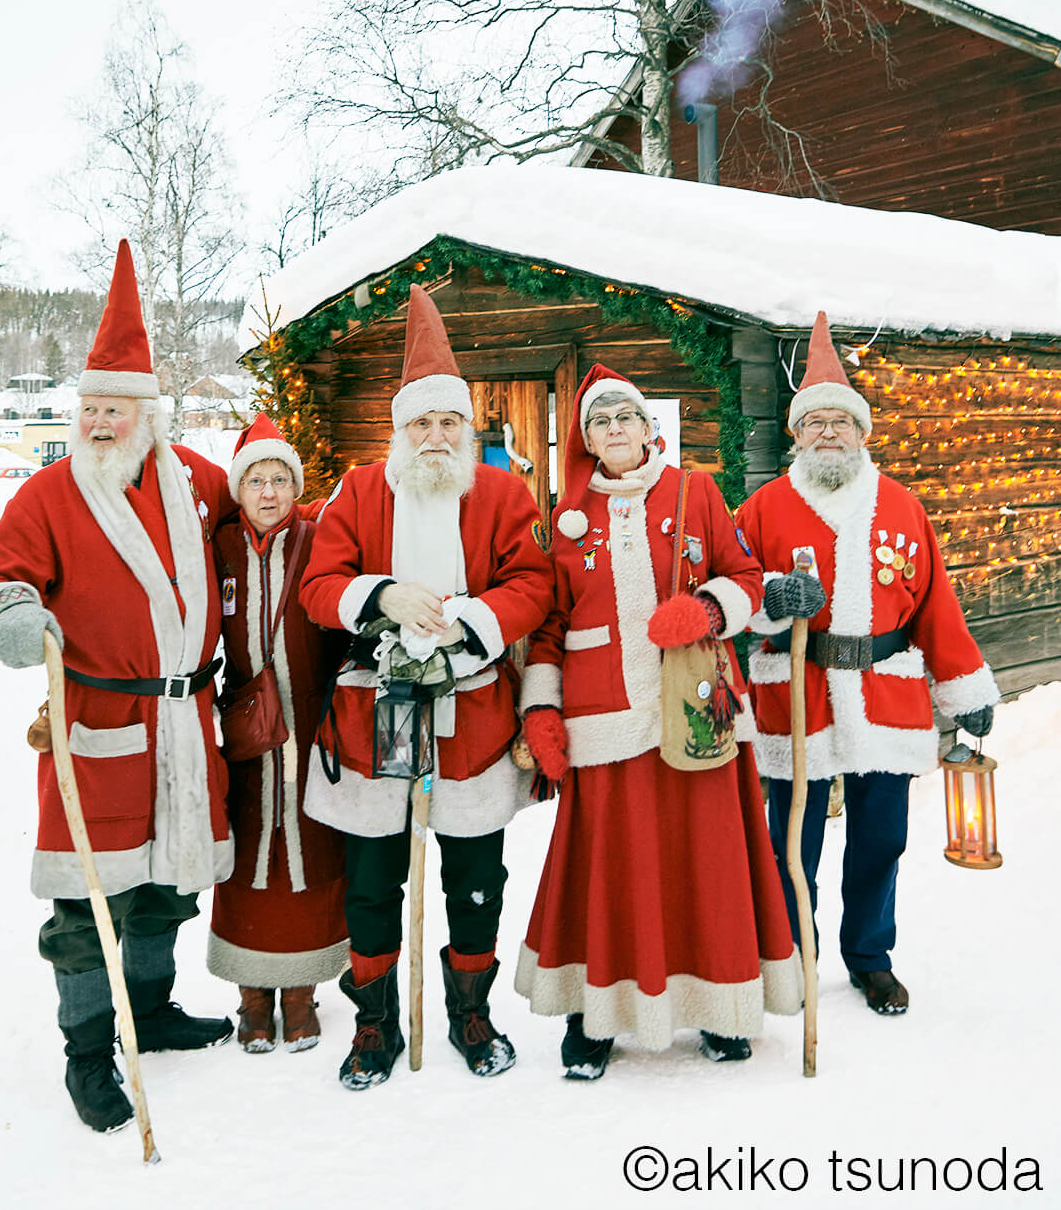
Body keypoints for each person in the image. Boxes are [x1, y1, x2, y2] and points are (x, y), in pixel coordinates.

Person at [0, 241, 235, 1134]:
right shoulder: (45, 496)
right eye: (89, 408)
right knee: (88, 901)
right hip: (100, 725)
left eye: (116, 408)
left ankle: (149, 1013)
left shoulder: (198, 482)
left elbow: (261, 530)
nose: (100, 422)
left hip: (188, 720)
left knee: (165, 886)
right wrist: (7, 615)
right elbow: (0, 577)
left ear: (151, 416)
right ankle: (88, 1053)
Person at [515, 363, 803, 1080]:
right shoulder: (563, 517)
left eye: (626, 417)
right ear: (586, 440)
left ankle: (721, 1008)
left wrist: (706, 610)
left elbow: (743, 576)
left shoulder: (694, 491)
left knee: (706, 862)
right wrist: (542, 708)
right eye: (601, 422)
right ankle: (596, 1016)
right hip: (602, 720)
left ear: (650, 428)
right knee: (606, 869)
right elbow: (549, 624)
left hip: (696, 705)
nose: (615, 429)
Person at [299, 284, 554, 1089]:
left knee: (476, 880)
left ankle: (469, 1012)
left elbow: (533, 584)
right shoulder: (361, 491)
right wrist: (380, 596)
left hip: (473, 715)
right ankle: (373, 1022)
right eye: (422, 423)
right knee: (373, 884)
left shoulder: (504, 493)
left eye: (450, 423)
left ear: (465, 428)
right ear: (400, 430)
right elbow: (318, 584)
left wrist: (474, 618)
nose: (436, 437)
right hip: (373, 718)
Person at [735, 312, 999, 1017]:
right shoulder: (763, 508)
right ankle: (791, 954)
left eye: (840, 422)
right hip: (798, 692)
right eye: (813, 422)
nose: (828, 432)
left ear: (862, 433)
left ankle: (869, 957)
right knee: (794, 837)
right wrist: (768, 598)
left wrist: (963, 688)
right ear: (796, 435)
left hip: (886, 691)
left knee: (881, 837)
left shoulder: (903, 509)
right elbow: (729, 593)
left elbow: (936, 606)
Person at [206, 411, 348, 1053]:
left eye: (279, 481)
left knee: (311, 851)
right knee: (244, 855)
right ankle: (251, 1000)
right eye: (256, 480)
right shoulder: (220, 549)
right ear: (239, 490)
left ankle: (300, 994)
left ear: (295, 488)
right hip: (242, 735)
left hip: (312, 730)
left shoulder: (320, 541)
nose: (268, 494)